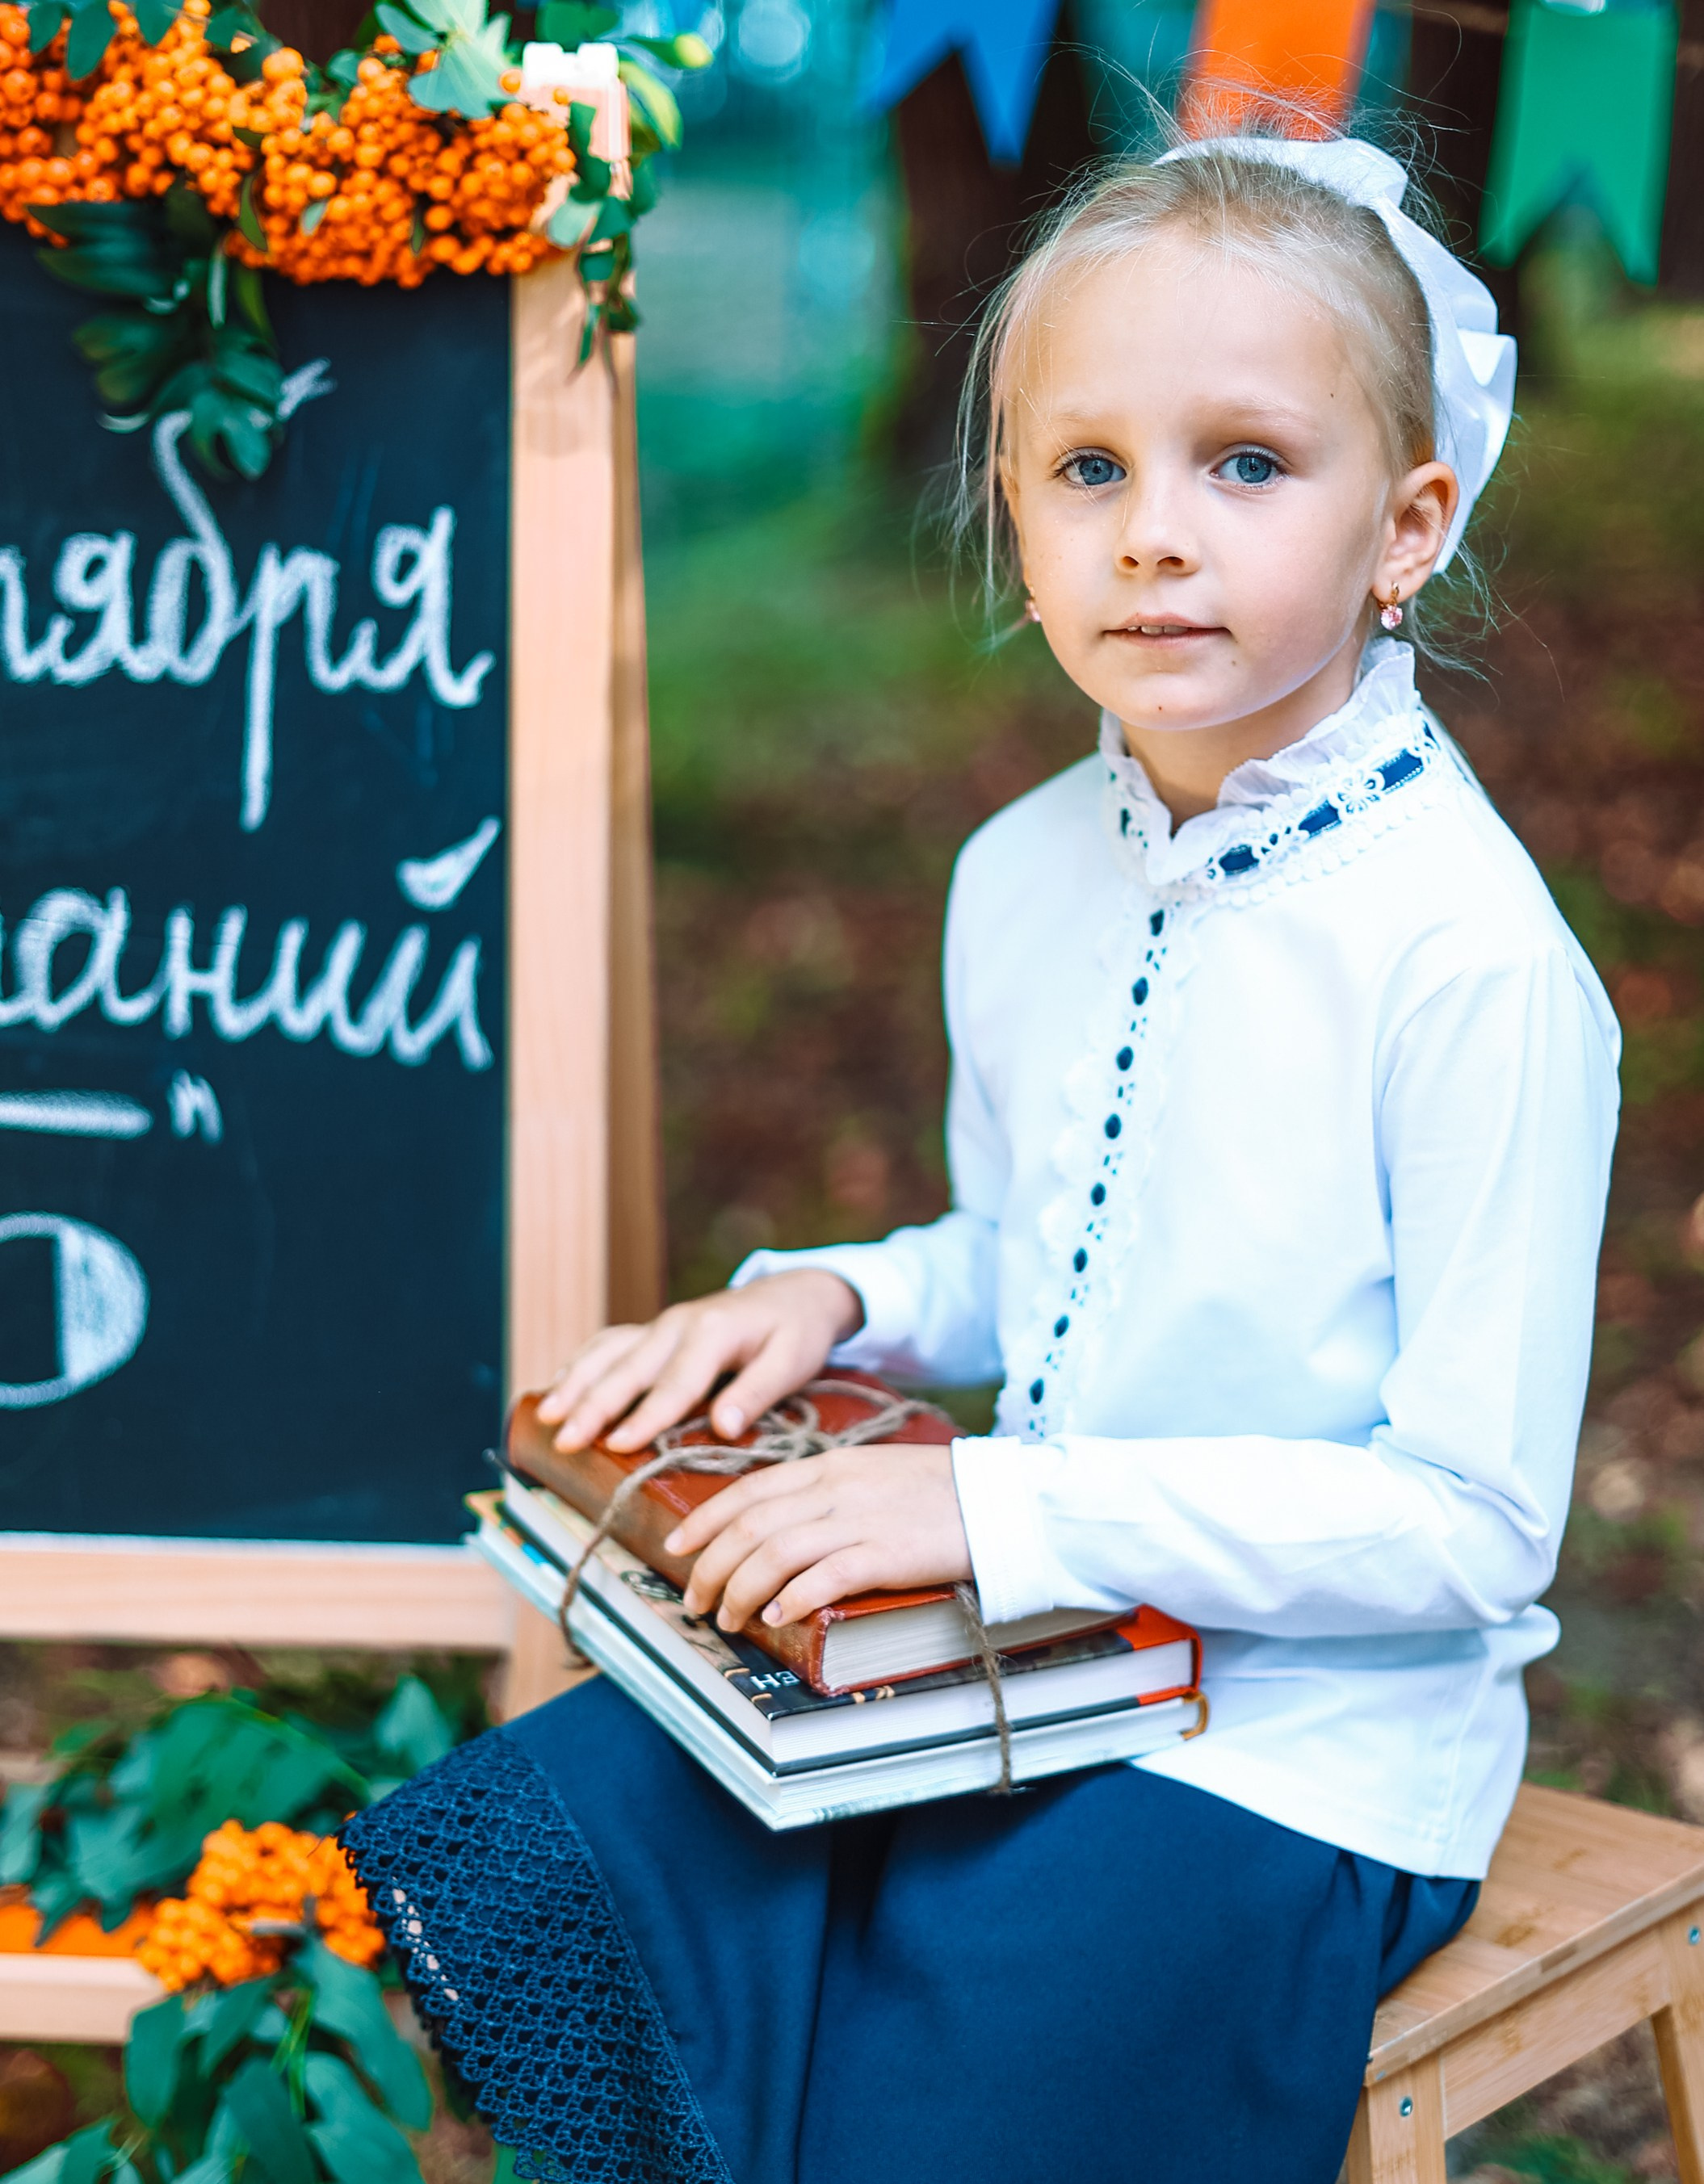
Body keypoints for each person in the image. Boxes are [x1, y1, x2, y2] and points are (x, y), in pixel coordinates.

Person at [345, 134, 1620, 2184]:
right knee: (561, 1836)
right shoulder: (1019, 873)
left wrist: (995, 1513)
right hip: (1021, 1651)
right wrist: (832, 1296)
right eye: (1086, 468)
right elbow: (1034, 1255)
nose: (1153, 538)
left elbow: (1472, 1522)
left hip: (1308, 1755)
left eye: (1243, 464)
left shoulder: (1469, 966)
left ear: (1406, 524)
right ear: (1008, 513)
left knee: (962, 2029)